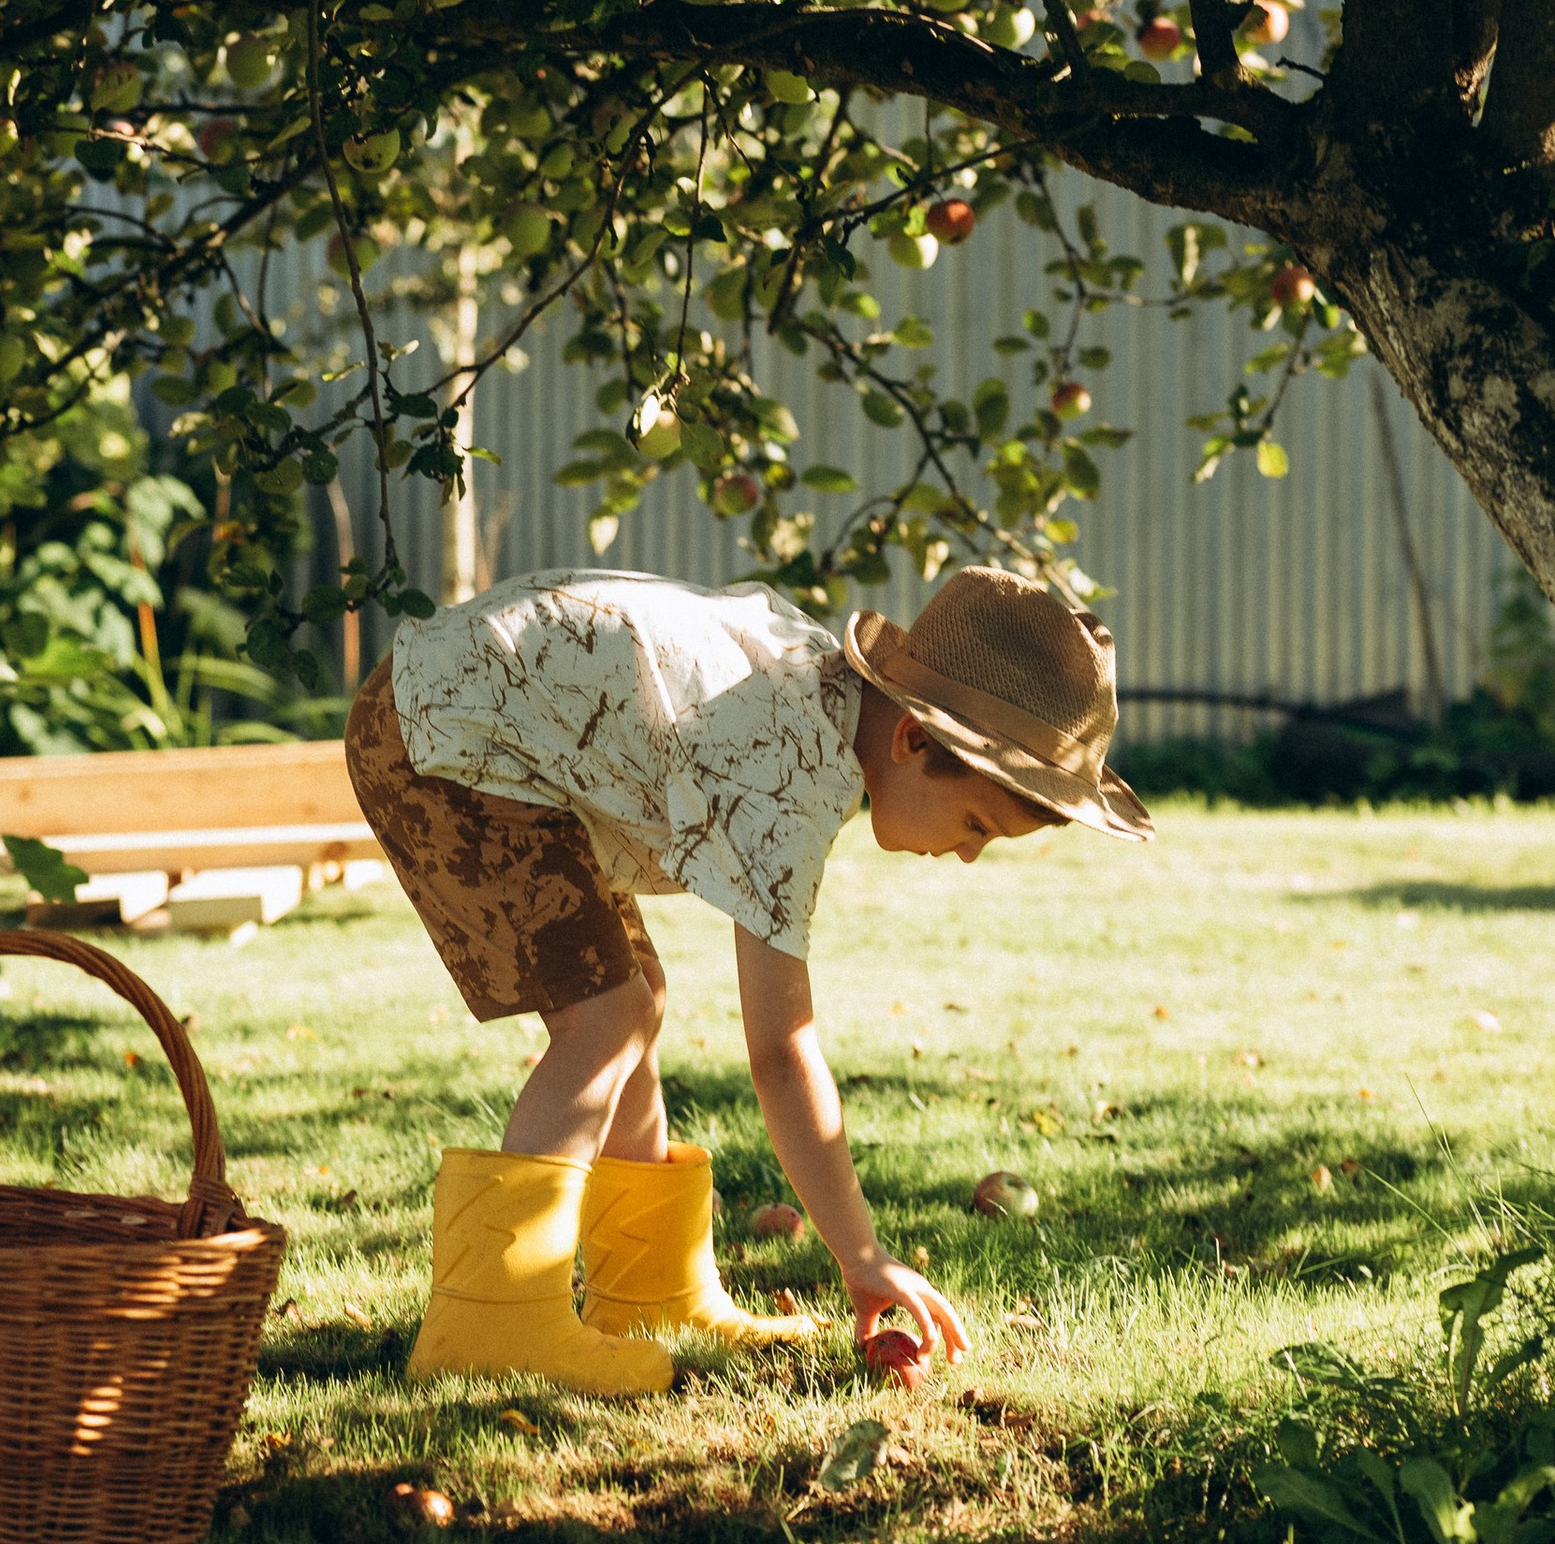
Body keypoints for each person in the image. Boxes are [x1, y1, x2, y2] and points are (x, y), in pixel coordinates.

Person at [344, 561, 1152, 1398]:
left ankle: (651, 1287)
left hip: (470, 719)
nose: (969, 852)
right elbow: (780, 1051)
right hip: (439, 735)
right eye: (976, 822)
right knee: (609, 1017)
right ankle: (494, 1319)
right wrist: (861, 1254)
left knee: (633, 999)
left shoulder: (819, 707)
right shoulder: (792, 767)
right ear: (913, 738)